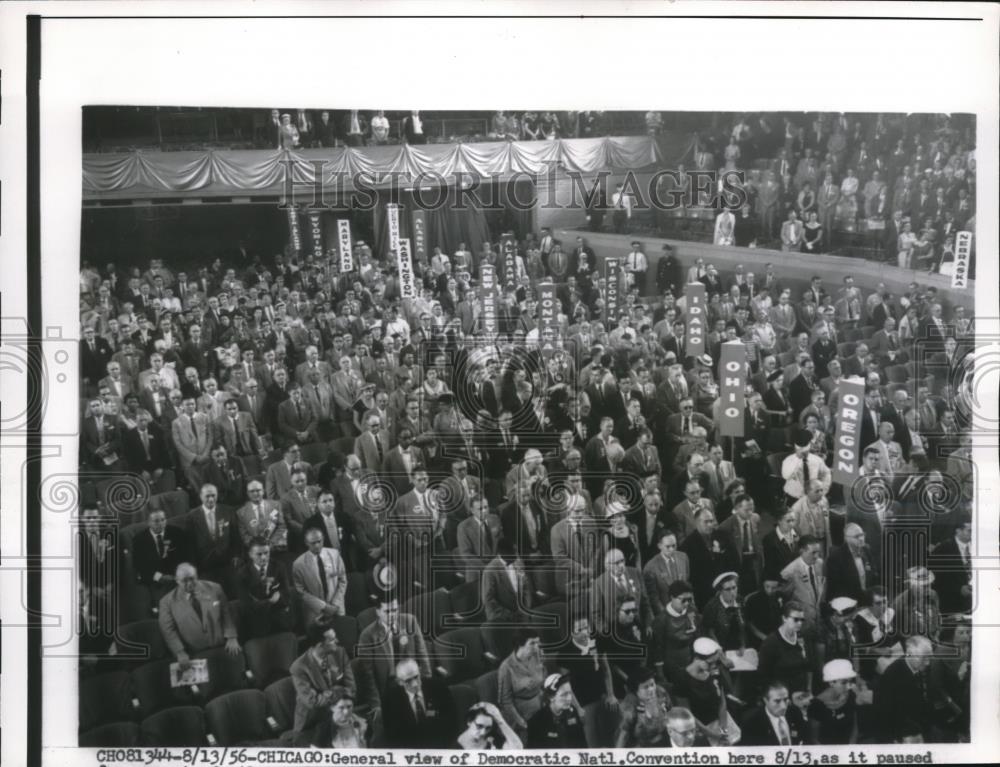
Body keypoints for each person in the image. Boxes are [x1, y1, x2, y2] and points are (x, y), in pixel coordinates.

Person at [158, 563, 241, 670]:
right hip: (194, 653)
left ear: (197, 576)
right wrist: (180, 652)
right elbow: (168, 630)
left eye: (192, 579)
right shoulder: (166, 602)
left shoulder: (215, 588)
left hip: (222, 646)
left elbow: (226, 613)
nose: (189, 584)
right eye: (184, 581)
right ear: (177, 581)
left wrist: (232, 636)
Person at [290, 620, 358, 735]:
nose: (337, 641)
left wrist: (328, 694)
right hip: (312, 721)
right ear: (320, 645)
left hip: (340, 713)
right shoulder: (299, 667)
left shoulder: (340, 653)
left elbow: (351, 689)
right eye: (332, 640)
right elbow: (312, 702)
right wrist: (338, 691)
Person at [380, 658, 457, 748]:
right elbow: (392, 737)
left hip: (441, 746)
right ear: (399, 682)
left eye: (416, 677)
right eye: (408, 681)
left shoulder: (438, 687)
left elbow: (452, 721)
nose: (415, 684)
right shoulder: (390, 700)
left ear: (420, 671)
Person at [497, 628, 546, 742]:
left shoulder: (538, 656)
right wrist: (521, 722)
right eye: (532, 643)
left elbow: (543, 682)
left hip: (539, 706)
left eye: (538, 642)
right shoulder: (506, 667)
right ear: (520, 644)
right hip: (519, 713)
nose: (537, 647)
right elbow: (505, 701)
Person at [758, 601, 813, 695]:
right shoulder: (771, 643)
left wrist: (808, 690)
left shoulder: (803, 637)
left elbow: (809, 667)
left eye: (802, 620)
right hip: (782, 695)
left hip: (802, 693)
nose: (800, 623)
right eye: (795, 619)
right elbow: (764, 677)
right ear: (784, 618)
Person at [652, 579, 700, 685]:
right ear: (672, 597)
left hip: (691, 662)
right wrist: (660, 675)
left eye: (689, 599)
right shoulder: (661, 620)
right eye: (683, 600)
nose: (687, 603)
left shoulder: (692, 611)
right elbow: (657, 649)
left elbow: (697, 636)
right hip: (671, 667)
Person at [526, 673, 587, 748]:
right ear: (551, 697)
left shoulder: (572, 712)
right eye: (564, 695)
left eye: (570, 693)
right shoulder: (536, 722)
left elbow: (583, 745)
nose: (569, 698)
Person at [614, 668, 672, 748]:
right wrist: (617, 754)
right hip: (640, 744)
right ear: (636, 691)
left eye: (652, 685)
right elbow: (624, 734)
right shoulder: (629, 706)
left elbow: (670, 712)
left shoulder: (660, 693)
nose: (651, 690)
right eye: (645, 687)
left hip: (664, 737)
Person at [295, 686, 369, 748]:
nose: (346, 712)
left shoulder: (362, 723)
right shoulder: (323, 729)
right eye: (341, 708)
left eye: (349, 707)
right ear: (332, 707)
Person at [740, 680, 809, 745]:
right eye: (777, 701)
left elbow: (806, 739)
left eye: (785, 700)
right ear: (765, 700)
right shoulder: (752, 724)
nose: (783, 707)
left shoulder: (794, 712)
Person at [808, 658, 859, 744]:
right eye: (844, 682)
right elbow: (814, 739)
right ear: (831, 683)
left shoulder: (851, 695)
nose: (848, 686)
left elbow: (855, 726)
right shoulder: (816, 705)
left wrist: (851, 746)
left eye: (850, 682)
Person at [456, 702, 523, 750]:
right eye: (479, 726)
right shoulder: (456, 747)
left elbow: (517, 748)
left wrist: (499, 719)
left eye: (488, 728)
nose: (483, 732)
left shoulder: (491, 737)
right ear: (469, 722)